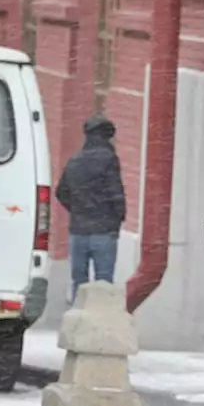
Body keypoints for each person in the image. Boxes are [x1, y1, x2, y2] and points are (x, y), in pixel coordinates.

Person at [55, 115, 126, 302]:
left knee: (79, 283)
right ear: (107, 136)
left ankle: (78, 320)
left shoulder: (75, 160)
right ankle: (99, 323)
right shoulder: (109, 159)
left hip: (78, 230)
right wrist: (116, 219)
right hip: (104, 230)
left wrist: (78, 209)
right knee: (103, 285)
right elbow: (115, 193)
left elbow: (61, 191)